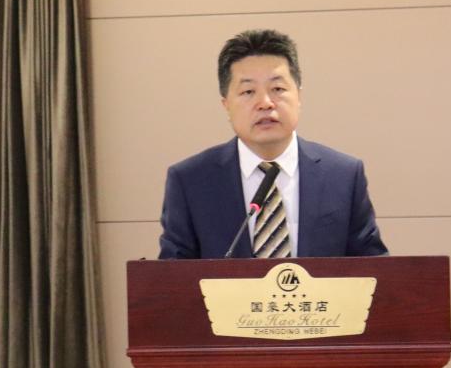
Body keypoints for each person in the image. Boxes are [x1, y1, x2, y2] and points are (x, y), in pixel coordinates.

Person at [158, 29, 388, 259]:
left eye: (277, 89)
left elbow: (374, 269)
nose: (265, 103)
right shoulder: (191, 181)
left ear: (298, 96)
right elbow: (173, 274)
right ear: (226, 104)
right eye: (248, 91)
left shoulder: (343, 176)